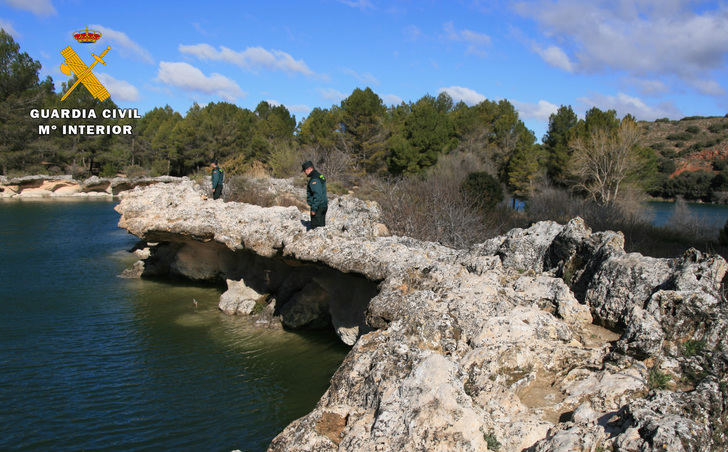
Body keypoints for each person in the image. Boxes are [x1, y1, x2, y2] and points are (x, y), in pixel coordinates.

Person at [302, 160, 328, 229]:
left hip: (318, 208)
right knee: (321, 227)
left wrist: (314, 209)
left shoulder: (314, 179)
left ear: (310, 169)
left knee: (316, 228)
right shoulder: (319, 175)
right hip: (323, 205)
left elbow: (317, 195)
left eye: (305, 170)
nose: (304, 172)